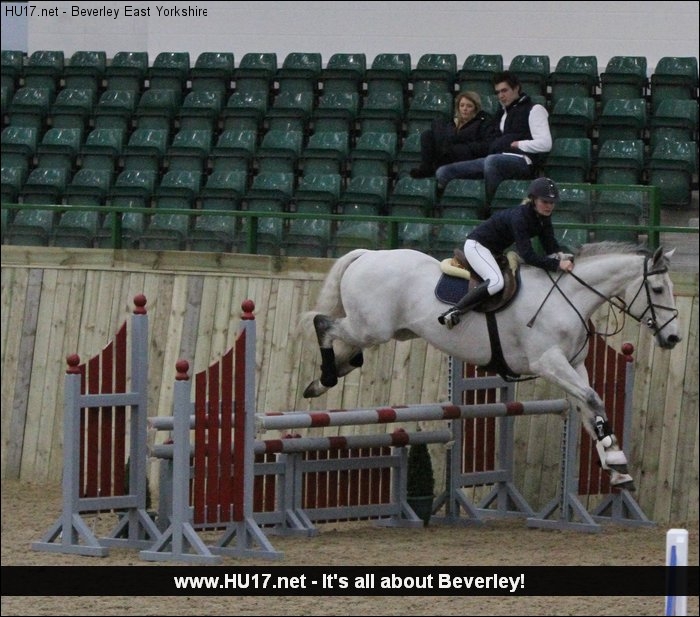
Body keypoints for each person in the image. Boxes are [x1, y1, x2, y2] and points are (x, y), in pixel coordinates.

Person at [437, 177, 575, 329]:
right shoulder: (520, 218)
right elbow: (528, 255)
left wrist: (560, 255)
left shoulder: (542, 218)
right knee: (496, 282)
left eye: (552, 202)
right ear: (534, 199)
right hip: (477, 247)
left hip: (493, 251)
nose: (549, 206)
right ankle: (454, 311)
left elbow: (549, 243)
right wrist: (557, 264)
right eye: (545, 201)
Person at [435, 71, 552, 208]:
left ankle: (490, 210)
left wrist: (519, 144)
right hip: (495, 158)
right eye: (498, 92)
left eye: (504, 91)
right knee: (444, 171)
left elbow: (545, 144)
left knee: (492, 161)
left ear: (516, 88)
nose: (501, 96)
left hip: (522, 161)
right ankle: (451, 210)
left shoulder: (534, 109)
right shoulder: (500, 113)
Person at [409, 91, 493, 179]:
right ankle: (426, 168)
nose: (465, 109)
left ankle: (440, 160)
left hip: (466, 157)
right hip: (448, 153)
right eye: (462, 105)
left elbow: (486, 145)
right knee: (428, 134)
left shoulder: (483, 122)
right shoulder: (452, 123)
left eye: (469, 106)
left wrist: (465, 147)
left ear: (476, 108)